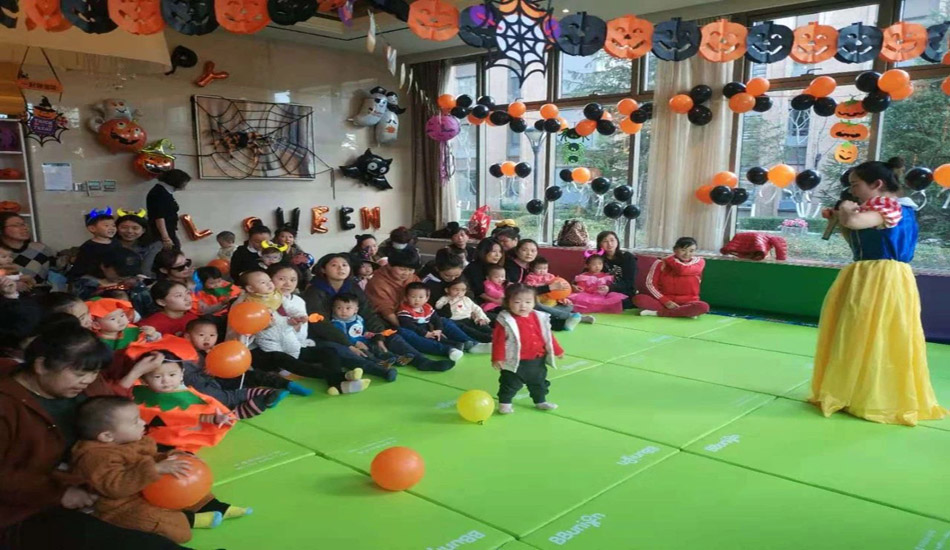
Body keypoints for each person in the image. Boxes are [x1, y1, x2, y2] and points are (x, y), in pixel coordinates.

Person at [0, 321, 187, 549]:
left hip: (104, 484)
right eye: (80, 373)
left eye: (95, 372)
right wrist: (58, 494)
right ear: (41, 365)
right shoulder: (7, 405)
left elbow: (116, 421)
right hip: (29, 508)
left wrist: (159, 457)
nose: (88, 379)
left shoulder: (89, 385)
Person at [810, 158, 946, 426]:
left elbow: (856, 222)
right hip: (866, 273)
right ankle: (852, 390)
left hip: (882, 277)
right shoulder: (875, 208)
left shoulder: (889, 206)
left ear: (877, 184)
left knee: (879, 333)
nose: (852, 190)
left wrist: (846, 211)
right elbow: (857, 240)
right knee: (856, 332)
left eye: (856, 185)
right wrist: (842, 220)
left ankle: (875, 396)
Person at [71, 396, 251, 543]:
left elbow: (153, 456)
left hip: (150, 488)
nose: (143, 422)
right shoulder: (95, 457)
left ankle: (211, 506)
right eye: (135, 422)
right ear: (107, 436)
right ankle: (190, 519)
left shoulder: (131, 440)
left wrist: (174, 457)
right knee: (159, 522)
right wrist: (155, 469)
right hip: (121, 505)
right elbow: (115, 487)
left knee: (182, 476)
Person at [304, 253, 454, 372]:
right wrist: (349, 344)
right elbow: (321, 324)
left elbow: (367, 312)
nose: (340, 269)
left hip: (358, 330)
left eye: (344, 265)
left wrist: (379, 336)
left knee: (391, 335)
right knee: (339, 349)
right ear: (323, 269)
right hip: (330, 335)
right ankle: (378, 368)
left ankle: (421, 361)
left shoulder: (352, 286)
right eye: (334, 265)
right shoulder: (314, 291)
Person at [128, 338, 235, 452]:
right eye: (157, 377)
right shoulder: (134, 394)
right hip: (143, 441)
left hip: (177, 444)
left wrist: (216, 419)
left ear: (181, 374)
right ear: (143, 379)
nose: (166, 380)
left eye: (172, 375)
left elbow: (195, 416)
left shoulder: (190, 397)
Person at [184, 317, 312, 397]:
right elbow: (191, 378)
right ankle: (268, 397)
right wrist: (206, 373)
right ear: (188, 337)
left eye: (212, 335)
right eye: (201, 335)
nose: (207, 339)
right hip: (217, 384)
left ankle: (288, 385)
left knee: (256, 375)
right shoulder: (188, 355)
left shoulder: (218, 349)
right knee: (240, 390)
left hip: (235, 375)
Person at [491, 284, 563, 415]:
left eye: (528, 302)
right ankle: (505, 403)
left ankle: (540, 401)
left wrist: (557, 350)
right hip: (515, 360)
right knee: (509, 383)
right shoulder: (506, 320)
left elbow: (547, 335)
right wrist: (497, 358)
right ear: (508, 302)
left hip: (537, 360)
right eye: (517, 302)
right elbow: (498, 341)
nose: (523, 306)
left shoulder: (539, 317)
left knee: (539, 382)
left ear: (535, 302)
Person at [505, 239, 589, 331]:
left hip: (543, 300)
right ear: (517, 251)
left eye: (533, 251)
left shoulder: (534, 265)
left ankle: (558, 315)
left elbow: (549, 282)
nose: (529, 253)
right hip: (519, 301)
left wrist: (560, 298)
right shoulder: (511, 268)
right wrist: (550, 287)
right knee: (533, 304)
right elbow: (519, 292)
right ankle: (569, 317)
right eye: (525, 250)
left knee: (568, 305)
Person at [396, 283, 490, 362]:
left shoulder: (427, 307)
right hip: (418, 333)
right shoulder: (404, 310)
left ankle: (472, 344)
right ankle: (450, 350)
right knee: (404, 332)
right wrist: (425, 333)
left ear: (427, 298)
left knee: (443, 320)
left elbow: (436, 318)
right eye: (413, 297)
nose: (417, 300)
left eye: (421, 297)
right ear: (406, 297)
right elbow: (408, 325)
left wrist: (438, 329)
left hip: (430, 331)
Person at [329, 293, 406, 382]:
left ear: (356, 310)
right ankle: (379, 363)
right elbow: (341, 337)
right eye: (339, 308)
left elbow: (361, 329)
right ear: (333, 309)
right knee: (366, 354)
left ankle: (394, 358)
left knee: (376, 347)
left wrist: (367, 333)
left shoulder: (358, 318)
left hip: (365, 341)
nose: (343, 311)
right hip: (353, 346)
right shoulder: (337, 323)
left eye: (348, 308)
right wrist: (355, 343)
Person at [634, 237, 710, 318]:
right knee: (639, 299)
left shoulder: (699, 262)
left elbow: (682, 270)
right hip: (665, 302)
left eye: (691, 251)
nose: (687, 254)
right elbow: (650, 284)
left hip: (689, 302)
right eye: (683, 250)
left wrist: (669, 259)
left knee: (703, 307)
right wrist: (666, 301)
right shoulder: (660, 263)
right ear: (675, 250)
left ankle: (658, 313)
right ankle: (683, 312)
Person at [73, 246, 153, 316]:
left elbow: (149, 309)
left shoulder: (135, 283)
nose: (124, 276)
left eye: (129, 273)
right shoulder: (85, 285)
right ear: (103, 266)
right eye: (120, 272)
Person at [365, 246, 423, 327]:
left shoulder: (413, 278)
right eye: (402, 269)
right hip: (387, 322)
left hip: (414, 318)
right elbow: (385, 310)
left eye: (410, 270)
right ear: (389, 265)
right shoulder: (377, 282)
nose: (406, 273)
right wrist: (404, 328)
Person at [0, 212, 56, 290]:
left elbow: (58, 266)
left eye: (23, 224)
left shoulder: (40, 248)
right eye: (16, 225)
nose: (24, 228)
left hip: (40, 294)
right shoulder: (1, 254)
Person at [87, 298, 159, 351]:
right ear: (96, 325)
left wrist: (152, 335)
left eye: (122, 315)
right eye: (113, 319)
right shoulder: (95, 342)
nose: (121, 320)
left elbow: (152, 345)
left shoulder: (133, 329)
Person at [434, 277, 492, 343]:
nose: (459, 292)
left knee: (481, 326)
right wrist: (451, 302)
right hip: (454, 321)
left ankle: (493, 335)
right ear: (447, 290)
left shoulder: (466, 299)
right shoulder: (445, 299)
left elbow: (476, 309)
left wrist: (481, 318)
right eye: (456, 290)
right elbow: (438, 306)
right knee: (469, 330)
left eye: (463, 290)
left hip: (468, 319)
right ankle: (485, 338)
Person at [68, 209, 119, 281]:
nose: (111, 228)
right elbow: (81, 268)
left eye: (113, 225)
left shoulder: (116, 243)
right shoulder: (88, 247)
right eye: (106, 225)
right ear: (92, 228)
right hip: (94, 279)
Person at [146, 169, 191, 250]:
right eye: (184, 183)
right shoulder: (159, 193)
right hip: (160, 233)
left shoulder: (164, 191)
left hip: (168, 230)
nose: (185, 185)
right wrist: (165, 238)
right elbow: (159, 217)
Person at [596, 230, 637, 308]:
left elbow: (629, 282)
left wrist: (610, 288)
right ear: (600, 244)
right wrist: (578, 285)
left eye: (612, 240)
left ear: (617, 241)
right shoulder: (597, 258)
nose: (609, 244)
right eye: (605, 241)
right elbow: (587, 274)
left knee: (616, 301)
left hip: (623, 292)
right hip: (599, 290)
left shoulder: (628, 257)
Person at [115, 211, 162, 278]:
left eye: (135, 228)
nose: (129, 231)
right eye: (124, 227)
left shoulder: (153, 245)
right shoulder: (109, 244)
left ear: (143, 230)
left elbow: (145, 270)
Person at [463, 238, 505, 305]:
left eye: (500, 252)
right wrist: (498, 302)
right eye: (494, 251)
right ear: (483, 251)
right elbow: (478, 292)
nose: (498, 255)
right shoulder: (473, 268)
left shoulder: (497, 267)